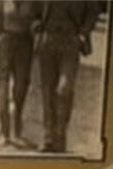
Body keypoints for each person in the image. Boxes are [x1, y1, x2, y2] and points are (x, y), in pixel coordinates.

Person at [31, 1, 100, 155]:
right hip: (47, 40)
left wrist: (83, 33)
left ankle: (61, 135)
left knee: (64, 89)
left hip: (70, 41)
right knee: (47, 91)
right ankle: (48, 137)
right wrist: (36, 29)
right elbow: (34, 10)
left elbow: (93, 11)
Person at [0, 0, 38, 151]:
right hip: (4, 43)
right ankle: (5, 134)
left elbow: (39, 22)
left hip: (24, 44)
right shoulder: (4, 2)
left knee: (20, 89)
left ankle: (17, 131)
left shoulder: (33, 2)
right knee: (2, 91)